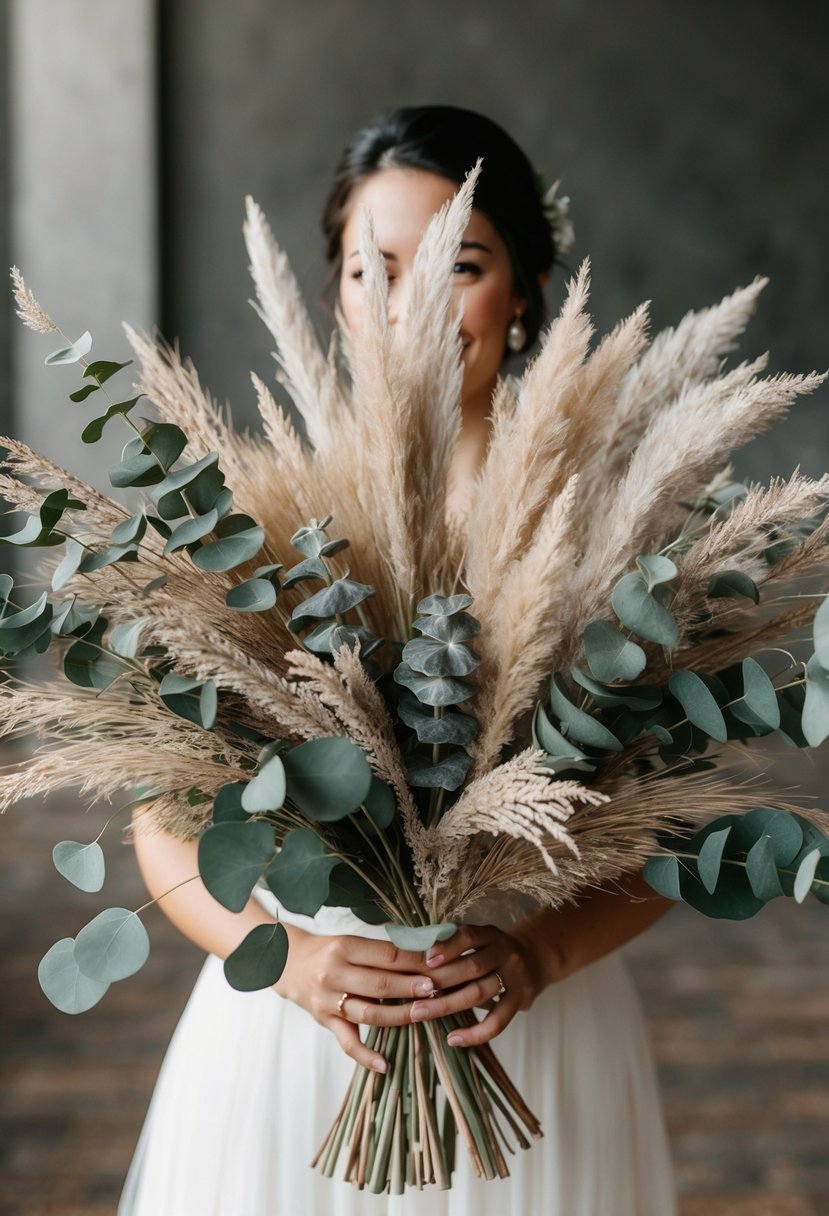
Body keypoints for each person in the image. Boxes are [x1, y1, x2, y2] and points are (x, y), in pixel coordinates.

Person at [119, 105, 677, 1216]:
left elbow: (669, 832)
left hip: (524, 1028)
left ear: (519, 292)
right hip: (294, 1037)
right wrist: (282, 957)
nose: (409, 301)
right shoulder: (258, 519)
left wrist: (537, 958)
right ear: (331, 292)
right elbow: (161, 818)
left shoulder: (606, 531)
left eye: (456, 264)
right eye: (373, 269)